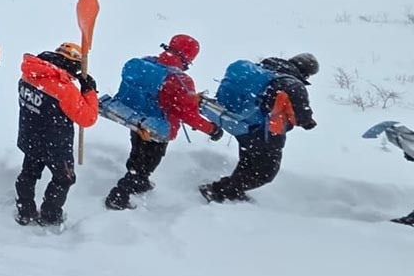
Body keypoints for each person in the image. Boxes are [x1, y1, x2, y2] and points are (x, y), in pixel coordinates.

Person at [104, 35, 221, 211]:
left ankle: (139, 180)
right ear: (188, 57)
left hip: (136, 118)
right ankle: (119, 196)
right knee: (148, 162)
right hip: (159, 127)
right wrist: (212, 130)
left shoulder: (145, 62)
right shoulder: (180, 80)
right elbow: (188, 115)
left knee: (137, 152)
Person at [200, 54, 319, 203]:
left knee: (248, 162)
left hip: (243, 124)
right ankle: (219, 191)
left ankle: (231, 190)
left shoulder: (263, 69)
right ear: (307, 73)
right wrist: (308, 122)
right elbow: (301, 116)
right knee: (265, 172)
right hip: (265, 132)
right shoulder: (293, 84)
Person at [13, 43, 99, 227]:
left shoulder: (30, 73)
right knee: (64, 178)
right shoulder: (64, 88)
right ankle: (50, 215)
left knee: (28, 173)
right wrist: (90, 92)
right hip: (55, 144)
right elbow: (88, 119)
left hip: (30, 136)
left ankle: (25, 210)